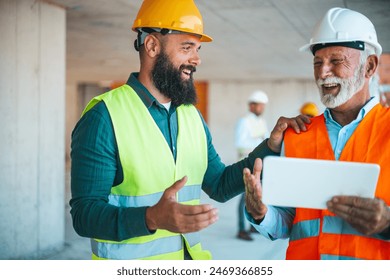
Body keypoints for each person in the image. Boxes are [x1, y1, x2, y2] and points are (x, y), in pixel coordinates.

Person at [69, 0, 307, 260]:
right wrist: (150, 217)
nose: (197, 59)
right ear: (151, 46)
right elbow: (85, 215)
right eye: (187, 48)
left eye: (197, 49)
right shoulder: (104, 116)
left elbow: (219, 185)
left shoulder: (191, 116)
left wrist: (271, 147)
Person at [244, 7, 390, 260]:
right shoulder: (299, 134)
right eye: (317, 63)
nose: (323, 73)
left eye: (336, 61)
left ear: (369, 66)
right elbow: (292, 221)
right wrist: (262, 213)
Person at [235, 90, 269, 241]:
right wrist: (257, 147)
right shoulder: (245, 122)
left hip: (259, 166)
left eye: (263, 105)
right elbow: (240, 144)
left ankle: (251, 226)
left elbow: (266, 139)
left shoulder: (261, 122)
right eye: (258, 105)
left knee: (255, 196)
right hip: (247, 165)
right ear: (251, 106)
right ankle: (241, 229)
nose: (261, 108)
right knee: (244, 197)